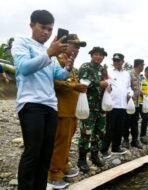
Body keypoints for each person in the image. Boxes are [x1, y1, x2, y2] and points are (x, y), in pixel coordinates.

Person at [11, 10, 73, 190]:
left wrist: (68, 67)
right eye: (42, 27)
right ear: (32, 25)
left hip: (50, 105)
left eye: (49, 29)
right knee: (33, 151)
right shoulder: (22, 42)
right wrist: (49, 53)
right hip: (30, 104)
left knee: (46, 152)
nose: (46, 32)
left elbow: (57, 74)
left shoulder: (49, 52)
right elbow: (23, 68)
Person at [48, 34, 87, 189]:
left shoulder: (72, 64)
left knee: (67, 141)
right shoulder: (56, 59)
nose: (77, 49)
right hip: (62, 109)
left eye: (78, 47)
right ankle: (54, 173)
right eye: (74, 46)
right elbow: (54, 81)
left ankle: (63, 165)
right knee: (60, 142)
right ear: (65, 45)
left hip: (72, 110)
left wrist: (79, 86)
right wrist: (74, 87)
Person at [77, 46, 108, 172]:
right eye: (96, 54)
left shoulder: (103, 69)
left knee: (100, 132)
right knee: (86, 132)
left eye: (101, 55)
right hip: (88, 106)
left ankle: (94, 156)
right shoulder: (85, 67)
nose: (99, 57)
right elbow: (82, 82)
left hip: (101, 107)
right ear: (91, 55)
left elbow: (107, 82)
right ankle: (82, 159)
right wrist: (98, 84)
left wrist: (108, 86)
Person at [101, 53, 130, 157]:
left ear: (123, 62)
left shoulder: (127, 74)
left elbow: (128, 87)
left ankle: (116, 147)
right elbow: (104, 83)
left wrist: (130, 94)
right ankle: (104, 149)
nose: (116, 62)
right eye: (114, 60)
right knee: (109, 128)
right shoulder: (108, 72)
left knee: (120, 128)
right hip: (111, 104)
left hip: (123, 105)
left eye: (118, 60)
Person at [123, 59, 144, 149]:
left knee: (135, 123)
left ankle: (135, 141)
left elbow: (137, 89)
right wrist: (129, 96)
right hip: (128, 104)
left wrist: (144, 95)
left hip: (136, 104)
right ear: (139, 65)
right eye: (143, 65)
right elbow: (126, 87)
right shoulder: (129, 74)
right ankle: (126, 140)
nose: (143, 67)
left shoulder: (138, 76)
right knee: (126, 123)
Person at [139, 65, 148, 144]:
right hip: (142, 103)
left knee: (146, 120)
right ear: (145, 72)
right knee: (144, 119)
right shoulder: (141, 80)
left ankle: (143, 135)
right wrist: (146, 97)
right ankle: (142, 136)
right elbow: (139, 91)